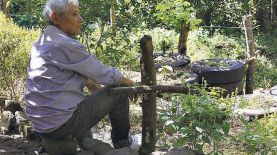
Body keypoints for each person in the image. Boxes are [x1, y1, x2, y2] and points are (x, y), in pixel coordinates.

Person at [24, 0, 137, 154]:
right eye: (75, 14)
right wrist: (131, 84)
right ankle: (123, 143)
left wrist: (97, 95)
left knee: (84, 98)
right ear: (56, 17)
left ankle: (84, 141)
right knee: (120, 91)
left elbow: (85, 78)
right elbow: (103, 73)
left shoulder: (41, 43)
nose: (81, 19)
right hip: (61, 124)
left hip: (41, 123)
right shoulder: (64, 44)